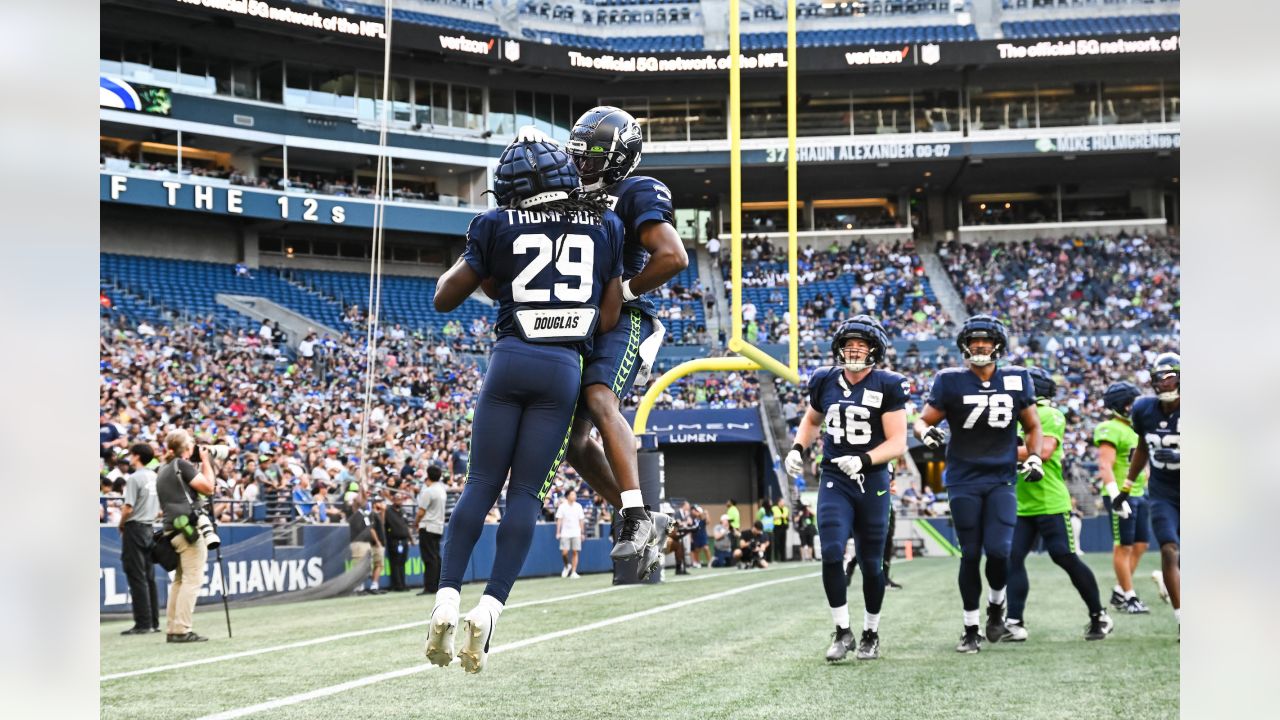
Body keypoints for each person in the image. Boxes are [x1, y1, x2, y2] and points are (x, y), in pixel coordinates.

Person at [425, 137, 625, 674]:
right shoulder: (605, 225)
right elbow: (607, 319)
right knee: (525, 495)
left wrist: (492, 272)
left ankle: (446, 598)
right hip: (562, 368)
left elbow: (446, 295)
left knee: (480, 484)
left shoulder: (495, 223)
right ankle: (490, 609)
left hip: (510, 358)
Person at [548, 108, 687, 579]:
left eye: (592, 156)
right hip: (580, 319)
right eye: (578, 154)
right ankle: (646, 516)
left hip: (624, 317)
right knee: (575, 445)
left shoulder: (634, 189)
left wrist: (625, 290)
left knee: (599, 397)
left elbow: (673, 255)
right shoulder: (568, 193)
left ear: (619, 157)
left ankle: (631, 519)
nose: (581, 163)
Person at [912, 315, 1044, 654]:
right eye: (974, 341)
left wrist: (1034, 456)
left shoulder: (1017, 378)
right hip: (962, 479)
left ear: (998, 345)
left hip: (1001, 477)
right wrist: (924, 432)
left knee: (1000, 552)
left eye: (985, 341)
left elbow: (1032, 426)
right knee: (970, 554)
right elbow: (922, 420)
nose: (980, 346)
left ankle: (997, 605)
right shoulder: (949, 381)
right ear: (964, 346)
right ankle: (971, 627)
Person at [785, 315, 908, 662]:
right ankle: (842, 631)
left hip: (873, 480)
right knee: (832, 552)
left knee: (872, 564)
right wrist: (798, 448)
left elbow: (898, 442)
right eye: (848, 344)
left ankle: (871, 632)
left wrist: (866, 460)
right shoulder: (824, 379)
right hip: (835, 477)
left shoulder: (888, 384)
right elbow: (811, 420)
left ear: (874, 350)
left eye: (861, 345)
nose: (853, 351)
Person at [1005, 367, 1113, 642]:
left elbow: (1042, 451)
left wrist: (991, 448)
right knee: (1011, 559)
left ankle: (1099, 615)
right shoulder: (1012, 416)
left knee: (1063, 556)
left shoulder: (1049, 414)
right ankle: (1014, 622)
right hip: (1020, 503)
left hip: (1049, 501)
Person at [1117, 353, 1181, 630]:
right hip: (1162, 491)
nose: (1166, 384)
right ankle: (1182, 619)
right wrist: (1127, 486)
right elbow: (1142, 448)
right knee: (1168, 548)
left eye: (1171, 378)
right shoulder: (1144, 409)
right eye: (1160, 379)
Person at [1095, 381, 1152, 614]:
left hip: (1138, 492)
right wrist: (1115, 494)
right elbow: (1104, 465)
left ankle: (1120, 590)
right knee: (1123, 546)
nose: (1134, 407)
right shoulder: (1110, 427)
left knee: (1141, 544)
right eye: (1130, 403)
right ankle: (1129, 596)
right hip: (1121, 495)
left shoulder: (1136, 428)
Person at [155, 429, 216, 643]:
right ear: (188, 449)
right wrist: (207, 461)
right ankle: (181, 630)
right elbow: (208, 488)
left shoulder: (164, 468)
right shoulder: (182, 465)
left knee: (180, 581)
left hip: (171, 529)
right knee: (192, 580)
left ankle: (173, 628)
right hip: (188, 529)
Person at [118, 443, 160, 635]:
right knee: (149, 576)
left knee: (136, 576)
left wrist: (121, 523)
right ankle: (153, 621)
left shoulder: (135, 478)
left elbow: (128, 507)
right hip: (149, 527)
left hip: (135, 528)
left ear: (136, 457)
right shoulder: (154, 476)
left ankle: (143, 623)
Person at [415, 465, 446, 595]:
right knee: (436, 557)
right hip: (438, 526)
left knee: (429, 558)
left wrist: (415, 523)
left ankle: (430, 586)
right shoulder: (441, 489)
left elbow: (421, 511)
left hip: (427, 526)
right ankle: (438, 584)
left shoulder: (428, 491)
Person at [349, 496, 385, 595]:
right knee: (360, 566)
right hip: (360, 543)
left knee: (365, 566)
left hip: (366, 543)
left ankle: (362, 587)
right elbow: (371, 529)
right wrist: (377, 541)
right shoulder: (359, 515)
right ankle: (359, 588)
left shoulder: (364, 514)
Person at [381, 493, 412, 592]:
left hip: (404, 540)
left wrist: (411, 538)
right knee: (395, 563)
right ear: (393, 500)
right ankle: (397, 585)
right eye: (397, 499)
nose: (399, 501)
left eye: (401, 499)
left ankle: (403, 584)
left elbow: (407, 526)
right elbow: (383, 523)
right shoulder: (388, 511)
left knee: (402, 563)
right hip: (394, 540)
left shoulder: (403, 511)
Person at [556, 490, 586, 579]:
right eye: (572, 494)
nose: (574, 496)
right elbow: (559, 520)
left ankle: (573, 572)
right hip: (565, 533)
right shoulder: (562, 506)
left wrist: (582, 533)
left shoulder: (578, 506)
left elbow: (581, 520)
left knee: (575, 552)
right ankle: (566, 566)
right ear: (568, 496)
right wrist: (558, 532)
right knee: (564, 553)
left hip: (576, 532)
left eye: (575, 494)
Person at [771, 497, 790, 563]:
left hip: (783, 527)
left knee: (783, 543)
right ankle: (776, 558)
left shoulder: (785, 509)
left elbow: (787, 517)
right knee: (777, 543)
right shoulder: (774, 508)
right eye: (782, 502)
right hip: (777, 527)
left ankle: (783, 558)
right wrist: (780, 516)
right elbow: (772, 517)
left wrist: (786, 517)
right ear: (779, 502)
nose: (783, 503)